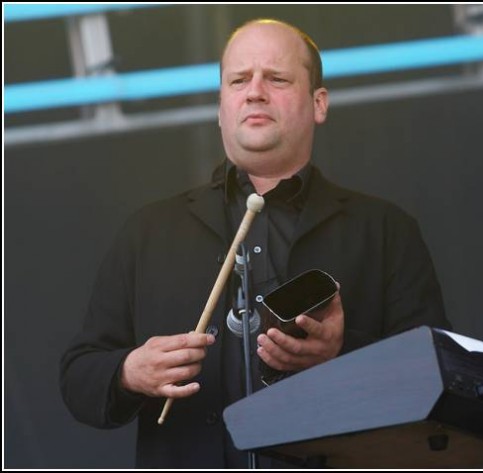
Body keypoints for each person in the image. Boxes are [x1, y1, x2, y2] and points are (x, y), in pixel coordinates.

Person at [60, 18, 450, 468]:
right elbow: (78, 378)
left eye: (277, 78)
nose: (255, 91)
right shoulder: (148, 231)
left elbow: (439, 377)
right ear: (221, 108)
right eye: (239, 80)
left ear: (318, 103)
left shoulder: (385, 229)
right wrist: (129, 372)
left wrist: (342, 354)